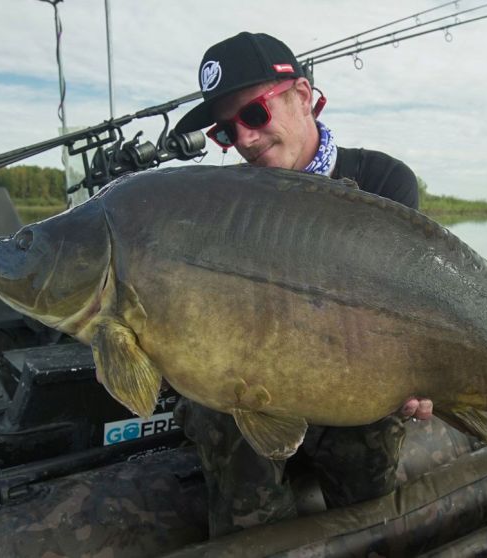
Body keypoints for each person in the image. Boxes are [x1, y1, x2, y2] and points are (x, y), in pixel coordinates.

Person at [171, 31, 433, 538]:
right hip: (256, 387)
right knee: (213, 404)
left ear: (304, 96)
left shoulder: (383, 182)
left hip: (353, 382)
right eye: (226, 131)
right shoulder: (222, 206)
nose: (244, 140)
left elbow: (410, 310)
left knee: (372, 492)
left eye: (253, 114)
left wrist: (422, 372)